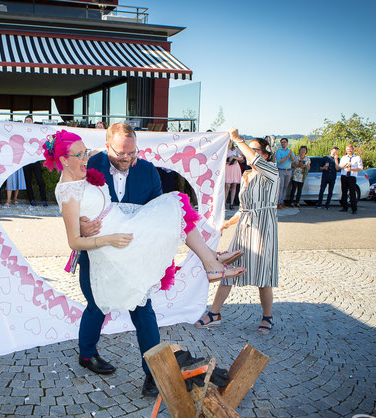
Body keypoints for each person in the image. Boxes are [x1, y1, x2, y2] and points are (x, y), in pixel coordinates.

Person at [51, 124, 244, 397]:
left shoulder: (147, 170)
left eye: (132, 152)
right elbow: (72, 204)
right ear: (107, 147)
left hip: (132, 252)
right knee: (96, 306)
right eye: (121, 153)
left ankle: (153, 374)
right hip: (97, 254)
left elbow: (158, 215)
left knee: (143, 310)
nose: (128, 158)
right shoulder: (87, 162)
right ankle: (87, 354)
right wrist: (83, 228)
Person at [196, 131, 279, 333]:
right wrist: (226, 224)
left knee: (263, 275)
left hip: (263, 228)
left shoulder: (271, 172)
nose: (248, 153)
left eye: (254, 149)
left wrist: (238, 140)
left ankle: (267, 317)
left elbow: (254, 159)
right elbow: (243, 209)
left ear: (265, 155)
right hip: (244, 227)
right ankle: (214, 314)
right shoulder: (246, 175)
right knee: (228, 270)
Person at [23, 115, 49, 207]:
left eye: (29, 120)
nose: (28, 122)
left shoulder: (36, 131)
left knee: (40, 180)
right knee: (28, 181)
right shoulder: (22, 132)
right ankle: (31, 199)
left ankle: (44, 199)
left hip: (35, 159)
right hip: (26, 160)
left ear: (32, 122)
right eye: (26, 121)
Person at [337, 144, 363, 214]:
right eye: (348, 149)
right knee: (344, 192)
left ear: (352, 149)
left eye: (350, 149)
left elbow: (360, 168)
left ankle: (354, 209)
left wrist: (352, 169)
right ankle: (344, 207)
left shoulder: (357, 158)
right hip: (344, 176)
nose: (349, 151)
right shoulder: (343, 157)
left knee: (352, 193)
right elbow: (339, 167)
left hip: (352, 176)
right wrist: (346, 164)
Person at [275, 137, 293, 209]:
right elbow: (279, 161)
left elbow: (293, 160)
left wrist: (290, 155)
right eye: (282, 142)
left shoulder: (290, 151)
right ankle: (279, 203)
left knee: (285, 187)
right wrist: (287, 156)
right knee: (281, 187)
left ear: (287, 143)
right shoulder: (279, 151)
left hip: (288, 171)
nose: (283, 143)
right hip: (281, 170)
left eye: (284, 142)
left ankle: (281, 202)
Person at [225, 140, 244, 210]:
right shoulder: (224, 148)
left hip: (235, 167)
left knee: (234, 185)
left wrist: (234, 158)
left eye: (230, 140)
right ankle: (224, 203)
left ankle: (231, 203)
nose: (229, 141)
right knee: (227, 185)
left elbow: (241, 158)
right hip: (227, 167)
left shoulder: (235, 149)